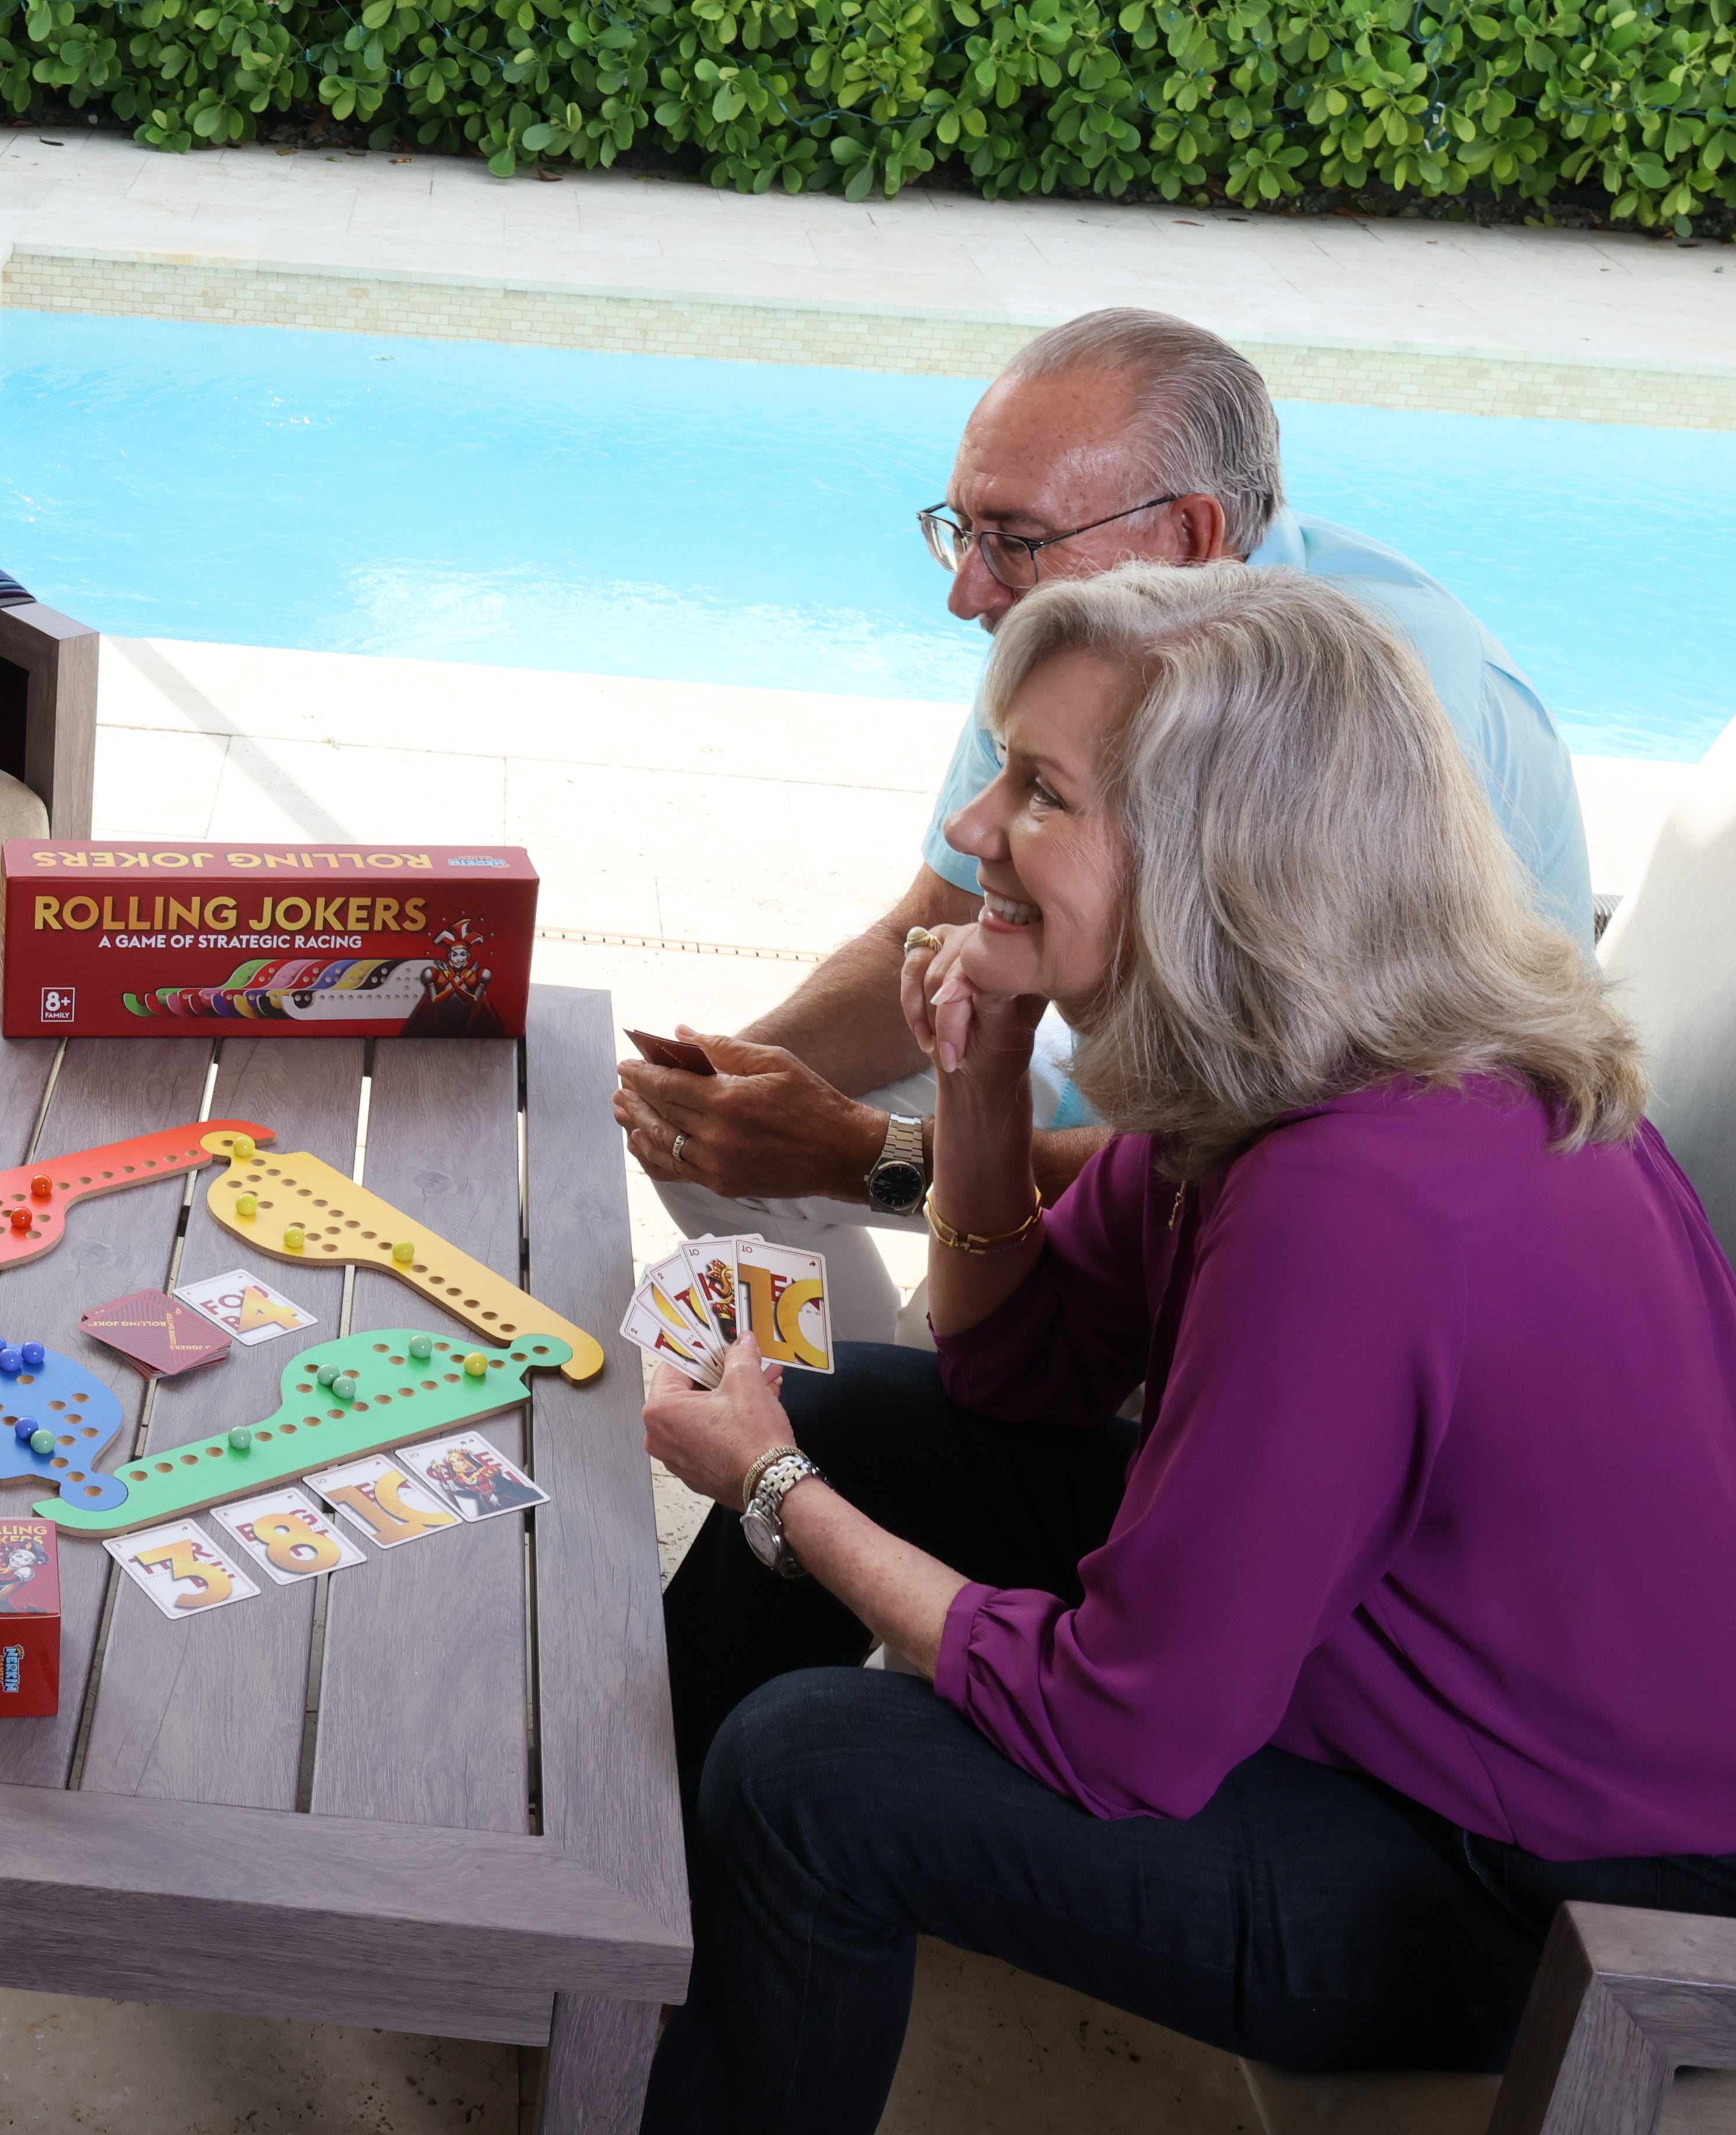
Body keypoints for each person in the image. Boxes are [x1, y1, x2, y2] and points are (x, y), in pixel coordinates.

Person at [637, 562, 1736, 2133]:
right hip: (1381, 1666)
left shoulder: (1352, 1202)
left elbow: (1117, 1731)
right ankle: (631, 1924)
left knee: (813, 1773)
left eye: (1038, 791)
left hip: (1548, 1893)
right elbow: (1015, 1377)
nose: (970, 833)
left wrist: (777, 1496)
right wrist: (982, 1068)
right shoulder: (1310, 1049)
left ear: (1213, 851)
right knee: (849, 1411)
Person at [616, 308, 1592, 1345]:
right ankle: (836, 1435)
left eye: (1017, 542)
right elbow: (939, 911)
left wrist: (863, 1153)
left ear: (1190, 537)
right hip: (1127, 1064)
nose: (965, 592)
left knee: (950, 1344)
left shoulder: (1356, 710)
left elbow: (1248, 1152)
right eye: (961, 528)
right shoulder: (1096, 633)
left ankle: (908, 1441)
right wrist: (704, 1087)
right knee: (712, 1152)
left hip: (1308, 1184)